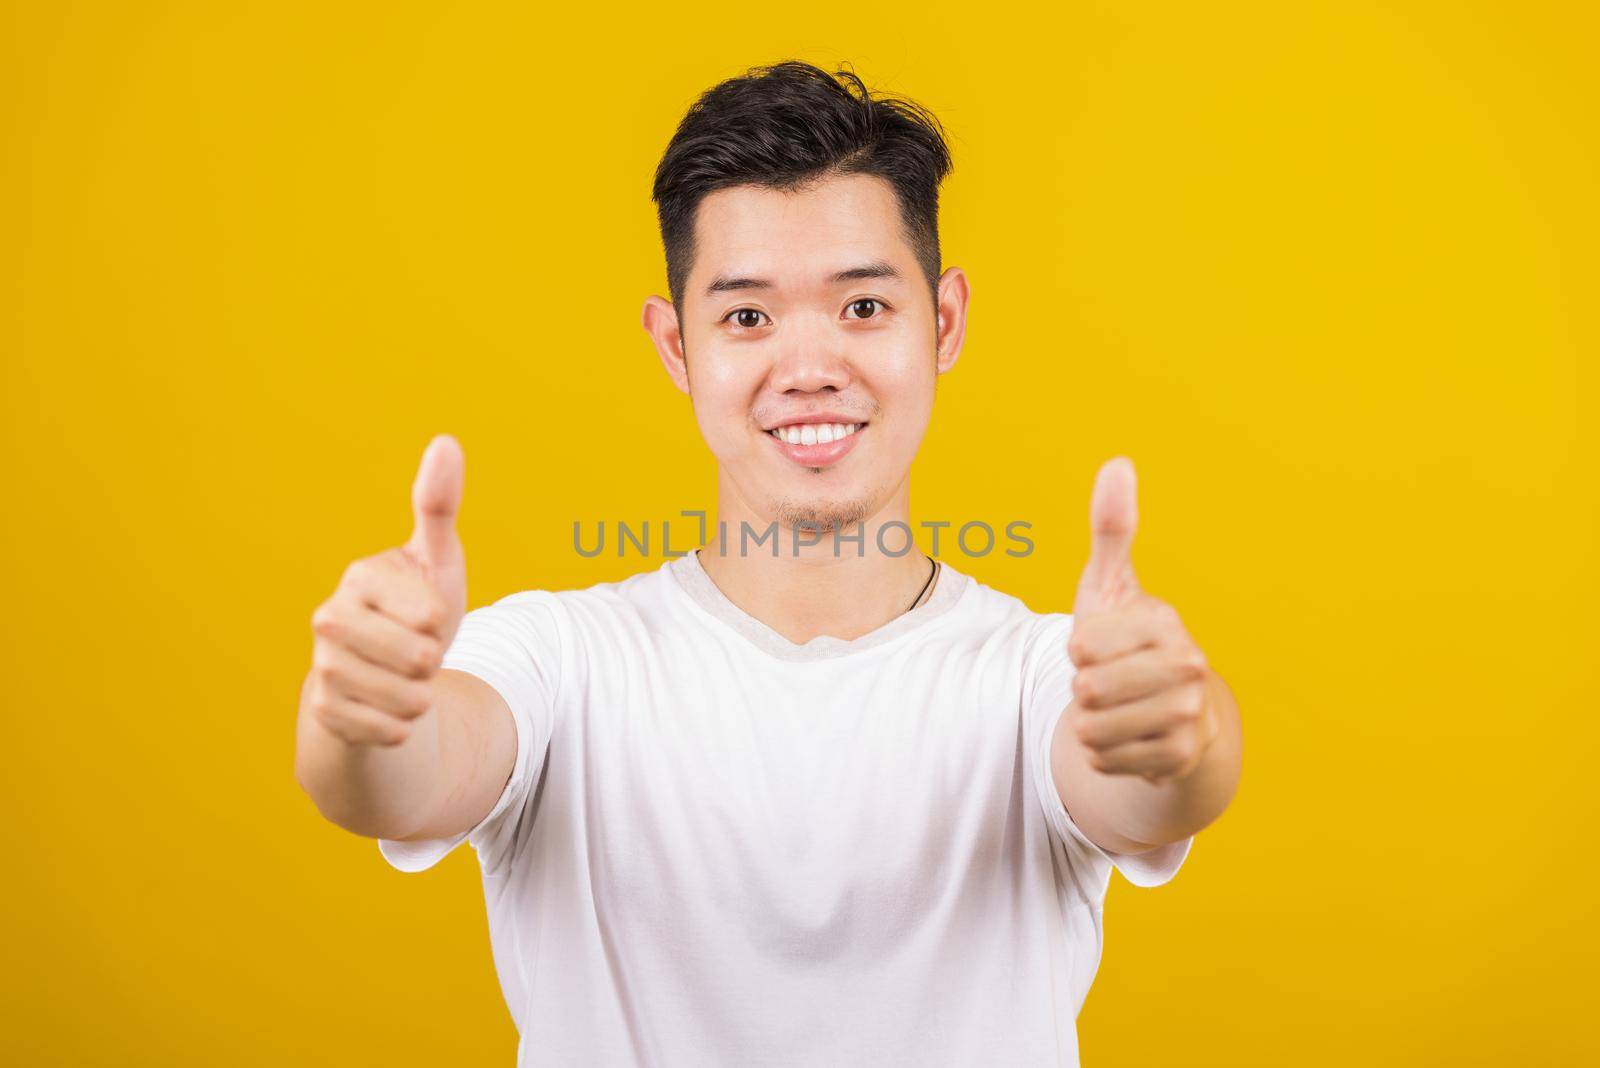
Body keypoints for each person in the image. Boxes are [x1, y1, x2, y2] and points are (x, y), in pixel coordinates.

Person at [294, 60, 1242, 1066]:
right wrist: (358, 713)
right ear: (675, 348)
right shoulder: (560, 659)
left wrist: (1175, 731)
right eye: (746, 317)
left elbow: (1151, 787)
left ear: (945, 321)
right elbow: (399, 778)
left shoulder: (1038, 680)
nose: (807, 367)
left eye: (863, 308)